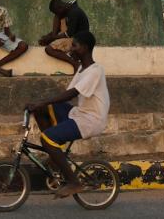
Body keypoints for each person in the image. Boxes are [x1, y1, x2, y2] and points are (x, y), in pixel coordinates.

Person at [26, 31, 109, 199]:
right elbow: (66, 94)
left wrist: (42, 101)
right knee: (41, 110)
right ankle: (56, 155)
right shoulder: (81, 69)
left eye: (74, 45)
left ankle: (74, 182)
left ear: (84, 48)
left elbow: (71, 94)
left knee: (47, 139)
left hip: (91, 120)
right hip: (80, 114)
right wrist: (39, 104)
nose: (71, 49)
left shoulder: (95, 71)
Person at [38, 0, 90, 71]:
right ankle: (53, 35)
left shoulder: (74, 13)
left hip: (79, 39)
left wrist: (52, 38)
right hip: (72, 35)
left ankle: (75, 64)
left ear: (60, 7)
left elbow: (69, 34)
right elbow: (60, 21)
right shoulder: (68, 7)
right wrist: (50, 36)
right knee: (59, 17)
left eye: (57, 12)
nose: (57, 15)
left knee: (49, 49)